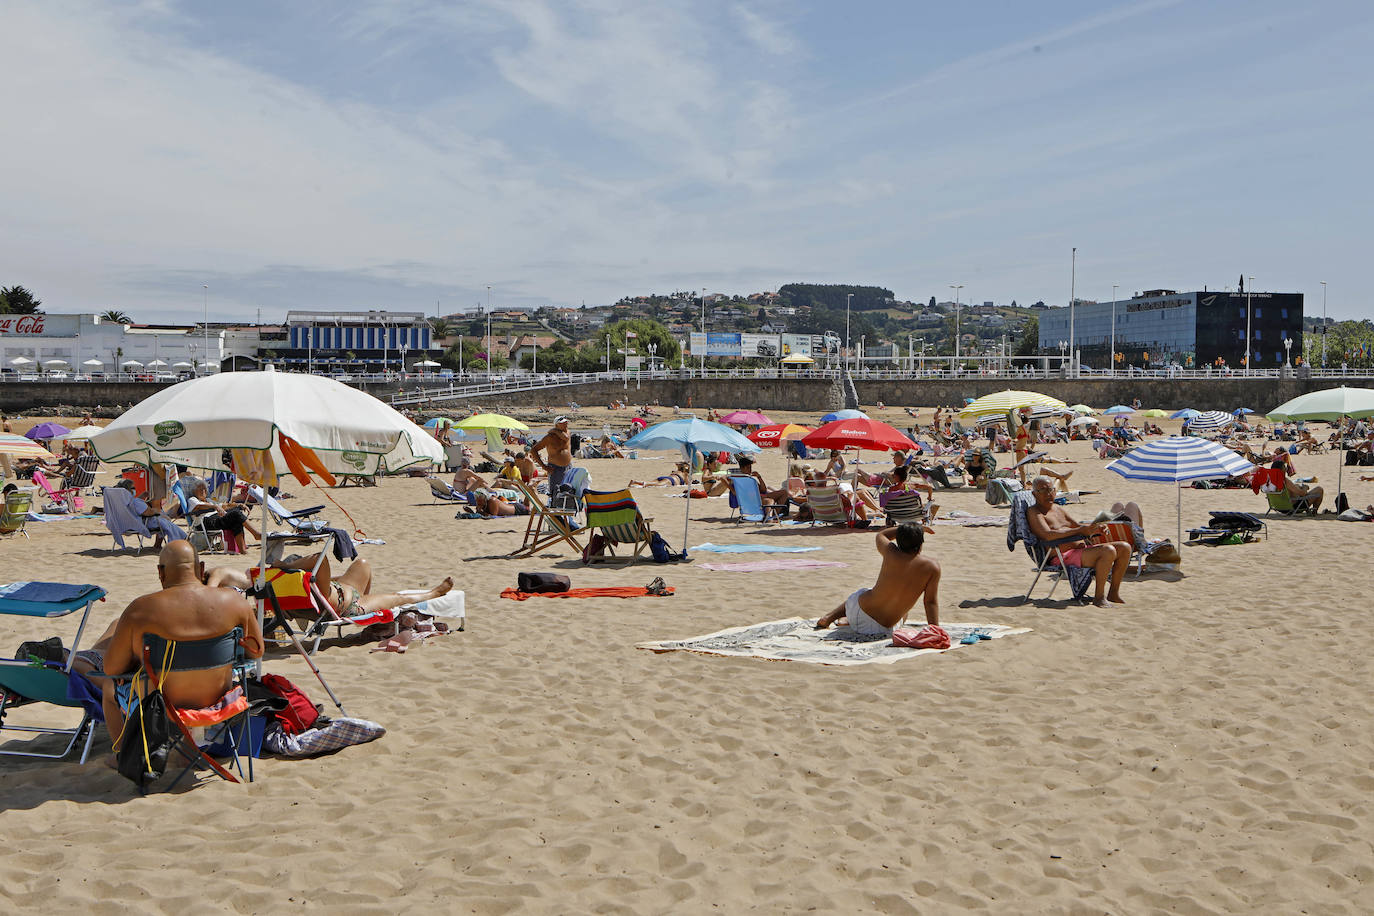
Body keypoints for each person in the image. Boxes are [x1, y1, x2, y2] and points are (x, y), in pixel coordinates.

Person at [99, 542, 264, 754]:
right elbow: (256, 651)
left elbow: (111, 669)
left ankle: (122, 755)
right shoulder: (234, 601)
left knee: (108, 687)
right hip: (217, 703)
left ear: (160, 572)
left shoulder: (140, 610)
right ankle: (188, 753)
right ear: (201, 569)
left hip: (162, 707)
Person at [211, 551, 454, 621]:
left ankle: (363, 596)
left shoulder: (276, 584)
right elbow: (320, 558)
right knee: (397, 598)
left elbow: (221, 572)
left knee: (363, 563)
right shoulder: (305, 589)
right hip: (349, 605)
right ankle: (433, 593)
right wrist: (285, 564)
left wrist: (209, 586)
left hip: (341, 588)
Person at [814, 523, 940, 636]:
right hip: (885, 630)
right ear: (921, 543)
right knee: (903, 612)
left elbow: (882, 534)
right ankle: (846, 620)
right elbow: (930, 602)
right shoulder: (932, 567)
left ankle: (830, 617)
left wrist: (910, 529)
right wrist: (935, 631)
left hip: (859, 616)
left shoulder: (891, 552)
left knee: (864, 593)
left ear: (898, 539)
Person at [1025, 475, 1131, 607]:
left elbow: (1077, 526)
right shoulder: (1034, 512)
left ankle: (1113, 593)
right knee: (1107, 551)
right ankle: (1099, 597)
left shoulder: (1057, 508)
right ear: (1034, 494)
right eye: (1043, 490)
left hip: (1080, 551)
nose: (1048, 494)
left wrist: (1095, 527)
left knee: (1125, 547)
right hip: (1060, 556)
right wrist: (1079, 530)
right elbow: (1047, 535)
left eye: (1051, 489)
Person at [184, 476, 260, 554]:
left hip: (216, 519)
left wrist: (238, 504)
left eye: (204, 489)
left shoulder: (209, 501)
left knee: (236, 518)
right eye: (200, 489)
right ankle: (256, 534)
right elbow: (198, 506)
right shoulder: (192, 500)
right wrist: (214, 506)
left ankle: (242, 550)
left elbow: (224, 506)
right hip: (205, 522)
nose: (203, 491)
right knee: (235, 514)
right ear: (194, 491)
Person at [531, 416, 573, 490]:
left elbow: (565, 438)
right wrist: (544, 467)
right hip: (555, 469)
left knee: (569, 490)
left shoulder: (568, 433)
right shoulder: (549, 437)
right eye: (562, 423)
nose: (566, 424)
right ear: (556, 425)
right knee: (555, 491)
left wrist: (554, 430)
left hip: (569, 466)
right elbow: (533, 450)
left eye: (566, 422)